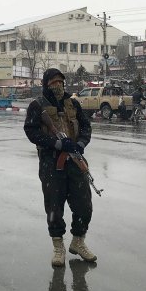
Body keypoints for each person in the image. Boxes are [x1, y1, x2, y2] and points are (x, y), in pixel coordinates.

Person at [24, 68, 96, 267]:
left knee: (84, 206)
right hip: (51, 164)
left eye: (60, 82)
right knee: (54, 208)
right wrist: (56, 144)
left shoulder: (73, 104)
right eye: (53, 82)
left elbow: (86, 127)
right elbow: (31, 132)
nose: (58, 85)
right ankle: (58, 247)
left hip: (74, 161)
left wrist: (80, 144)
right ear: (46, 84)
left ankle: (78, 242)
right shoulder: (37, 106)